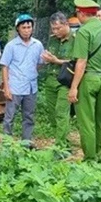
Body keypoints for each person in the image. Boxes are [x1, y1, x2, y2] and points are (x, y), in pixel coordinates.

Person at [67, 0, 101, 161]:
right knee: (98, 118)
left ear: (82, 13)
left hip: (89, 79)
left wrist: (74, 87)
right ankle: (99, 153)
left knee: (86, 121)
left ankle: (90, 158)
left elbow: (81, 62)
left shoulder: (84, 31)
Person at [0, 13, 44, 148]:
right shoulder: (11, 46)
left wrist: (31, 73)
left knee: (29, 116)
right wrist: (6, 87)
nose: (26, 30)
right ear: (18, 29)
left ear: (32, 28)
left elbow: (40, 63)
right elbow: (4, 66)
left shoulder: (38, 45)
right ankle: (7, 143)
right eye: (23, 27)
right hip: (15, 86)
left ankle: (26, 143)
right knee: (9, 117)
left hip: (31, 87)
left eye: (29, 27)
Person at [41, 12, 75, 156]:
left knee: (62, 112)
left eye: (58, 28)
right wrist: (47, 59)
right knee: (52, 114)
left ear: (66, 24)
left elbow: (76, 62)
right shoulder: (52, 40)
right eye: (53, 29)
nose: (55, 31)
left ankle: (60, 147)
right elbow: (50, 57)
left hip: (65, 81)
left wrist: (57, 61)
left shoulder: (76, 39)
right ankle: (64, 141)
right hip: (51, 79)